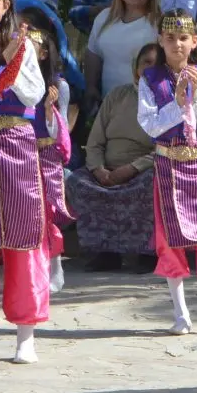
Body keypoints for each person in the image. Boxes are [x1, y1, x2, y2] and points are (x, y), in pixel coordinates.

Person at [137, 10, 197, 336]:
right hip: (168, 166)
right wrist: (177, 102)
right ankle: (181, 314)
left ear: (195, 41)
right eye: (170, 38)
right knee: (169, 240)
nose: (177, 44)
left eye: (183, 38)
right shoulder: (150, 79)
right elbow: (149, 124)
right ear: (160, 41)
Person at [68, 43, 158, 274]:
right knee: (77, 181)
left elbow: (164, 149)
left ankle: (147, 254)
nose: (150, 68)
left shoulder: (167, 100)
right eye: (145, 62)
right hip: (106, 170)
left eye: (157, 63)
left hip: (141, 172)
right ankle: (106, 254)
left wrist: (131, 169)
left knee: (152, 184)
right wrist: (98, 170)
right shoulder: (118, 95)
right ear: (136, 68)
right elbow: (95, 140)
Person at [0, 0, 46, 364]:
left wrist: (12, 62)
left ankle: (25, 332)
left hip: (13, 141)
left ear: (5, 5)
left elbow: (34, 94)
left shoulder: (20, 44)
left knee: (22, 234)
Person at [19, 1, 78, 295]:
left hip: (48, 156)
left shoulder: (59, 86)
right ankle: (33, 266)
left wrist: (48, 110)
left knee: (49, 213)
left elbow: (60, 132)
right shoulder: (14, 83)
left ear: (43, 53)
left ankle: (56, 264)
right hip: (21, 155)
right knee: (28, 214)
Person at [84, 0, 160, 116]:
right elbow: (93, 54)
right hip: (108, 104)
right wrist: (91, 86)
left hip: (145, 105)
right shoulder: (104, 18)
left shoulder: (158, 23)